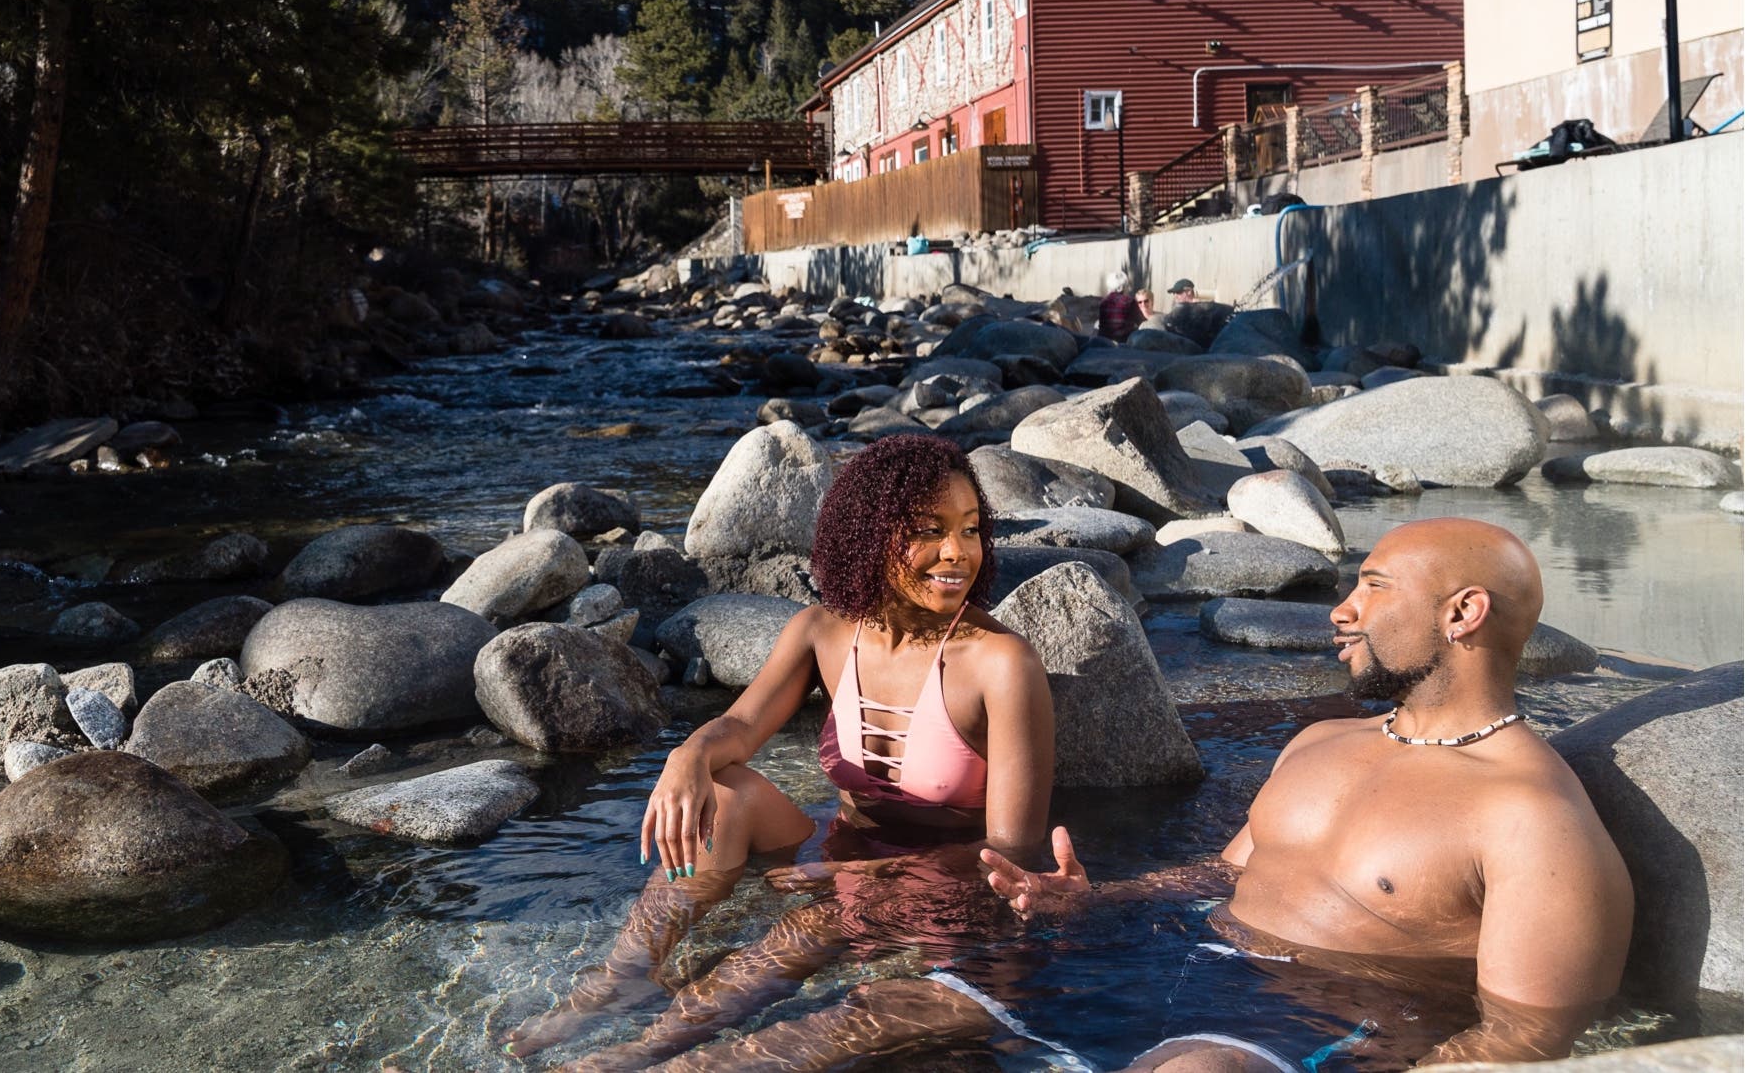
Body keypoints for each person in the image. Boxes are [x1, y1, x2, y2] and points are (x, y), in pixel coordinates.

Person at [634, 518, 1635, 1072]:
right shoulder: (1328, 740)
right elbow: (1230, 868)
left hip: (1307, 1025)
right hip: (1168, 963)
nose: (1342, 609)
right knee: (884, 1012)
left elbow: (1523, 1035)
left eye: (1373, 587)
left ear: (1463, 614)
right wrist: (1094, 900)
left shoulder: (1530, 820)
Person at [504, 434, 1055, 1061]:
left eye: (971, 530)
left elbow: (1014, 853)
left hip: (942, 889)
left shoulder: (1001, 663)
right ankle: (622, 977)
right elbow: (738, 728)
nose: (957, 553)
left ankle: (643, 1054)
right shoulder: (822, 630)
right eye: (928, 531)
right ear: (872, 534)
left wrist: (859, 878)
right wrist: (686, 757)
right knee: (718, 785)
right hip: (837, 862)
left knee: (803, 935)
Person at [1097, 269, 1143, 343]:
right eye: (1127, 286)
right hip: (1124, 341)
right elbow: (1140, 322)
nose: (1129, 288)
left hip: (1105, 340)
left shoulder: (1103, 302)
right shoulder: (1129, 302)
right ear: (1121, 288)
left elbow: (1102, 326)